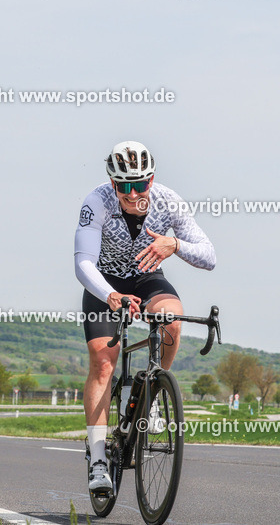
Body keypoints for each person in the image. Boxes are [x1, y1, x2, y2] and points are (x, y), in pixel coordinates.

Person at [74, 141, 216, 493]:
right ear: (112, 183)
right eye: (124, 186)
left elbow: (210, 255)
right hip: (105, 282)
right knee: (103, 361)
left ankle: (152, 394)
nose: (133, 193)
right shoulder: (96, 202)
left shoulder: (170, 201)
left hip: (147, 277)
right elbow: (83, 262)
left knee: (171, 320)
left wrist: (176, 246)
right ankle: (97, 457)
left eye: (141, 184)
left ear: (152, 180)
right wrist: (111, 295)